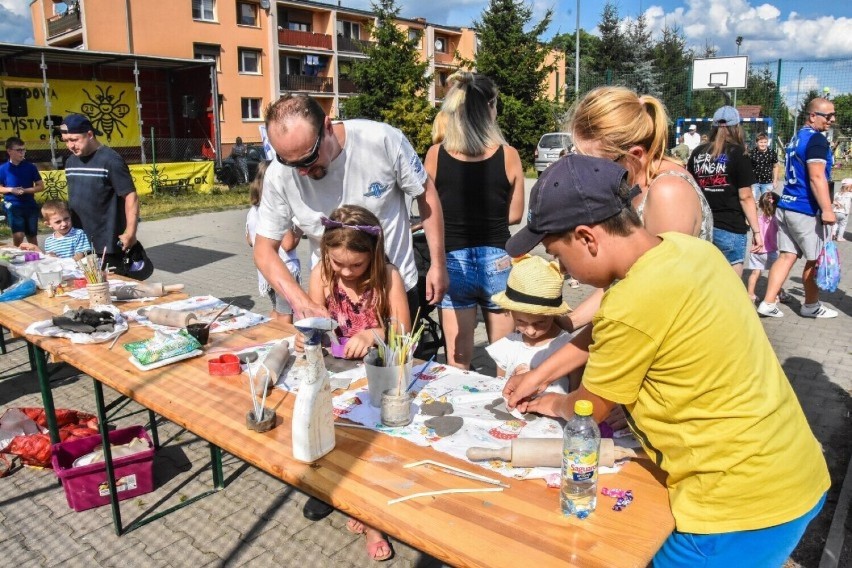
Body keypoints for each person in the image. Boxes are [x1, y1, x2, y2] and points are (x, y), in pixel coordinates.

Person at [503, 153, 829, 567]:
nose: (564, 270)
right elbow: (610, 329)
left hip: (740, 507)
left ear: (587, 238)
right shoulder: (688, 251)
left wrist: (547, 401)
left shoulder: (631, 303)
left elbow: (586, 407)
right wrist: (541, 372)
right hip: (791, 470)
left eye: (559, 256)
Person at [254, 93, 447, 328]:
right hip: (336, 300)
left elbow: (426, 194)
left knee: (399, 362)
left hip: (395, 290)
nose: (302, 171)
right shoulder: (278, 176)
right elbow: (264, 250)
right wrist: (302, 301)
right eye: (290, 162)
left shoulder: (381, 140)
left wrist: (438, 264)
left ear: (327, 127)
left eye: (309, 158)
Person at [308, 205, 408, 561]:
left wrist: (375, 331)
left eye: (356, 266)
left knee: (370, 449)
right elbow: (310, 324)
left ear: (374, 256)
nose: (346, 273)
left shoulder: (388, 278)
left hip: (377, 378)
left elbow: (403, 332)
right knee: (340, 442)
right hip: (336, 378)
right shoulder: (322, 274)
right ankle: (355, 504)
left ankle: (372, 517)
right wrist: (307, 331)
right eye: (339, 264)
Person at [424, 72, 525, 370]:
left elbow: (430, 211)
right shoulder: (509, 155)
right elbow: (516, 214)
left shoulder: (435, 155)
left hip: (451, 260)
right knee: (506, 361)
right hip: (498, 259)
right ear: (490, 107)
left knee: (458, 363)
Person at [757, 98, 838, 319]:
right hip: (805, 209)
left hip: (786, 205)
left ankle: (767, 302)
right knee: (814, 260)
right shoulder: (817, 140)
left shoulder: (796, 138)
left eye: (833, 115)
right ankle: (811, 305)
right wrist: (828, 209)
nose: (832, 120)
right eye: (828, 116)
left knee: (786, 256)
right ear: (813, 116)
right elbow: (816, 177)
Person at [60, 113, 141, 277]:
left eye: (74, 139)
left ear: (89, 134)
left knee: (110, 292)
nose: (70, 145)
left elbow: (130, 196)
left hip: (106, 244)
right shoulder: (70, 162)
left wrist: (130, 232)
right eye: (66, 141)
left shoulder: (111, 160)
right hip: (79, 242)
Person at [687, 106, 762, 277]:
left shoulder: (698, 153)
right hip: (731, 226)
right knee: (731, 284)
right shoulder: (738, 153)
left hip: (703, 225)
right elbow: (746, 196)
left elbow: (691, 188)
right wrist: (757, 231)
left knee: (706, 279)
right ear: (737, 127)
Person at [486, 255, 576, 393]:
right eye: (520, 322)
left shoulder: (568, 347)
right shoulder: (510, 345)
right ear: (510, 312)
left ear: (553, 314)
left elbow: (577, 393)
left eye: (540, 322)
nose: (531, 331)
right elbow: (500, 386)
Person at [246, 161, 301, 323]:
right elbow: (288, 243)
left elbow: (249, 240)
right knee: (286, 315)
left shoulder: (253, 211)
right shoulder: (280, 210)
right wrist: (300, 227)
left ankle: (269, 338)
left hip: (266, 271)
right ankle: (282, 342)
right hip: (284, 269)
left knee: (277, 310)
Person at [745, 192, 790, 304]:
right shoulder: (776, 220)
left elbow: (747, 221)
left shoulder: (756, 218)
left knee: (755, 273)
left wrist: (754, 208)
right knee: (775, 274)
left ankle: (750, 294)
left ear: (760, 205)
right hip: (770, 251)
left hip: (756, 251)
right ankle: (777, 294)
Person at [0, 136, 44, 247]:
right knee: (18, 235)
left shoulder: (31, 167)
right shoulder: (3, 169)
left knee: (32, 236)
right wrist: (11, 190)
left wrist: (25, 190)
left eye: (23, 149)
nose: (22, 152)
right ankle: (18, 259)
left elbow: (40, 186)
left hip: (30, 204)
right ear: (9, 151)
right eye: (18, 150)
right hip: (13, 204)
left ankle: (35, 258)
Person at [19, 200, 91, 259]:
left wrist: (60, 262)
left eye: (66, 219)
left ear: (70, 216)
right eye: (58, 222)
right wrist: (49, 256)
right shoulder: (49, 241)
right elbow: (49, 259)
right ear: (48, 224)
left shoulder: (78, 234)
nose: (64, 224)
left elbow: (80, 257)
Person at [750, 133, 778, 202]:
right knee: (751, 201)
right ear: (756, 143)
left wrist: (775, 181)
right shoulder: (752, 153)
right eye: (761, 142)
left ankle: (766, 213)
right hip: (754, 182)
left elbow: (775, 167)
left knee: (767, 203)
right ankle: (754, 212)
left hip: (767, 182)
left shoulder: (772, 153)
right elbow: (748, 168)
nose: (763, 144)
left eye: (765, 142)